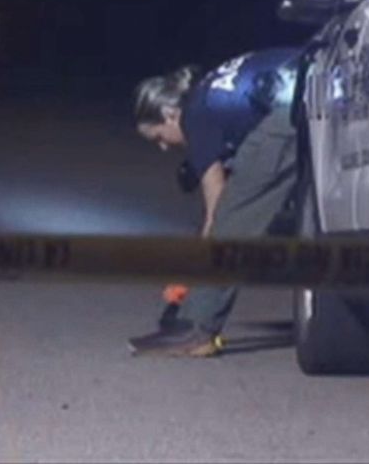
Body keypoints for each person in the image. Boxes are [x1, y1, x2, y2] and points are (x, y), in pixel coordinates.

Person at [128, 47, 302, 357]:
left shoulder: (196, 117)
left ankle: (198, 329)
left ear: (170, 115)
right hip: (308, 91)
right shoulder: (206, 93)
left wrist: (187, 286)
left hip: (289, 111)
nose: (163, 148)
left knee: (233, 218)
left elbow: (218, 210)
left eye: (158, 137)